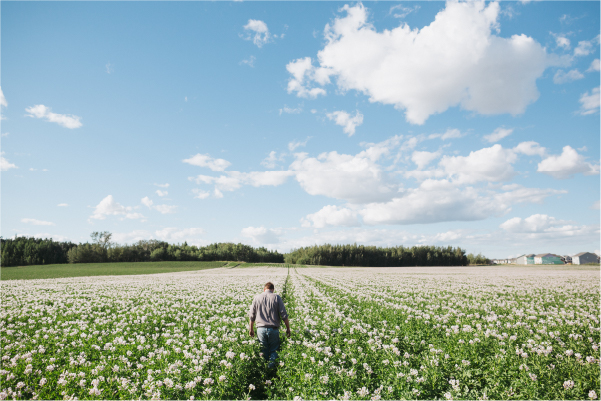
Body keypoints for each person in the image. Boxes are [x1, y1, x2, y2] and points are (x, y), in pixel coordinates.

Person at [248, 282, 291, 368]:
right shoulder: (276, 297)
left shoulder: (257, 298)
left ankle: (264, 370)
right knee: (274, 351)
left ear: (264, 289)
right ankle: (270, 370)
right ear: (273, 290)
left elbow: (252, 315)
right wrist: (288, 328)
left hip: (260, 329)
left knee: (263, 351)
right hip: (273, 329)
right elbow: (284, 314)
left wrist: (251, 329)